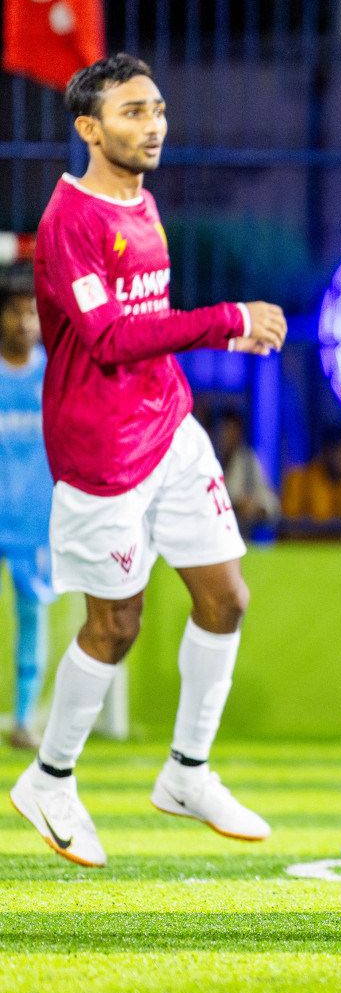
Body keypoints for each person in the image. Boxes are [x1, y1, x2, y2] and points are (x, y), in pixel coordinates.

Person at [9, 54, 287, 867]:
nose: (154, 123)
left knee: (226, 597)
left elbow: (147, 322)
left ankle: (187, 772)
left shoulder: (142, 200)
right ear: (89, 129)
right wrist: (225, 317)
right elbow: (105, 338)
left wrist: (216, 333)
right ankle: (50, 779)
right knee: (115, 625)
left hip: (167, 427)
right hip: (101, 455)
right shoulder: (70, 223)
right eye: (133, 112)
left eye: (158, 108)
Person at [0, 278, 53, 749]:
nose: (25, 322)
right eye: (15, 311)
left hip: (35, 522)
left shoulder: (53, 376)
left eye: (32, 313)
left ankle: (23, 719)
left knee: (32, 619)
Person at [211, 410, 279, 536]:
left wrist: (255, 505)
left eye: (232, 430)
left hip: (244, 535)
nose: (227, 435)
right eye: (224, 430)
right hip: (211, 534)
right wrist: (235, 503)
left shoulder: (248, 460)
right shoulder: (206, 460)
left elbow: (271, 503)